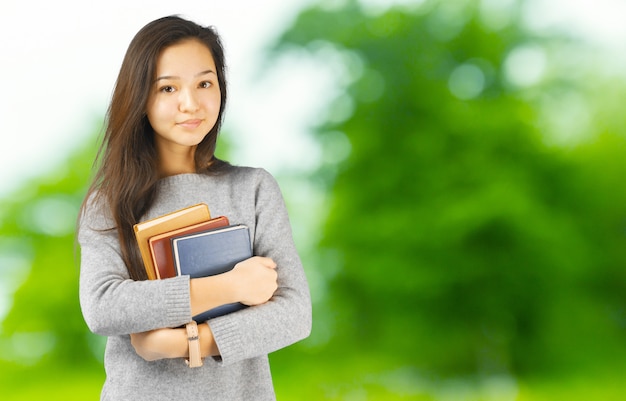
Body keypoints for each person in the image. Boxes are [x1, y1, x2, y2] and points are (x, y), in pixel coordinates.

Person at [77, 15, 312, 400]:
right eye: (168, 88)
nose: (191, 103)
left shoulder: (252, 188)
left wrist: (187, 342)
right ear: (139, 98)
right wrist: (230, 286)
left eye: (205, 83)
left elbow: (294, 314)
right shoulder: (110, 203)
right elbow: (104, 306)